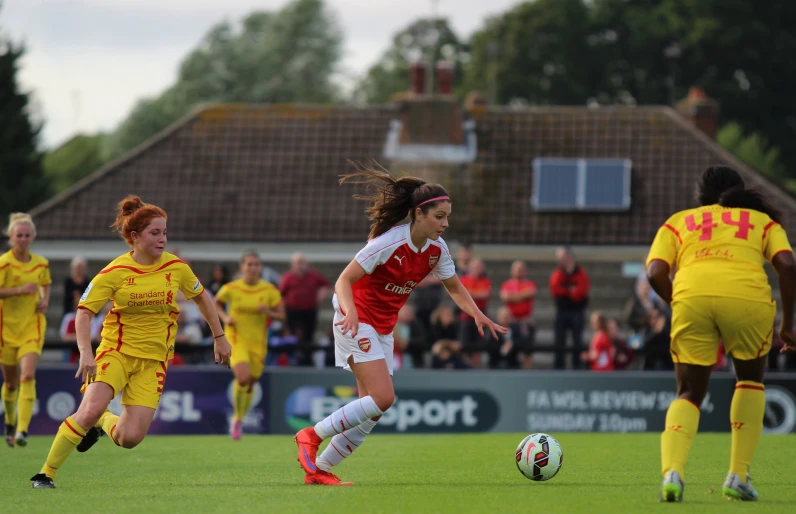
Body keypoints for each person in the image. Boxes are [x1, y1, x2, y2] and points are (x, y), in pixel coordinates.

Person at [293, 165, 506, 486]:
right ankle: (310, 435)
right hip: (356, 318)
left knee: (372, 410)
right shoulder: (388, 243)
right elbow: (344, 280)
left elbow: (455, 288)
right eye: (439, 216)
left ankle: (319, 469)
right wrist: (349, 312)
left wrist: (477, 313)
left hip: (382, 326)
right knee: (384, 397)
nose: (446, 224)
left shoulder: (437, 250)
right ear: (419, 214)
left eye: (448, 217)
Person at [30, 195, 232, 489]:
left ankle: (103, 422)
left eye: (164, 232)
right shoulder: (114, 273)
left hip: (153, 361)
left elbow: (201, 296)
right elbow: (84, 313)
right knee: (88, 410)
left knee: (129, 438)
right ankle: (45, 474)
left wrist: (219, 336)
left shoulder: (176, 268)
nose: (162, 239)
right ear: (135, 237)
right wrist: (86, 353)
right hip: (116, 352)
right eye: (155, 233)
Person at [647, 166, 796, 502]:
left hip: (691, 297)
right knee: (750, 382)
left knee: (687, 393)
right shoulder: (762, 222)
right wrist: (788, 325)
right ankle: (738, 477)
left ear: (700, 197)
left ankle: (672, 474)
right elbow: (787, 265)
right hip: (747, 299)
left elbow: (655, 271)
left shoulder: (679, 221)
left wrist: (681, 302)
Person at [214, 251, 284, 440]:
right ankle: (236, 420)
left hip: (258, 344)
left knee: (251, 383)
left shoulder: (269, 290)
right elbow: (216, 304)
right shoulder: (231, 288)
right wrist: (226, 318)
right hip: (236, 340)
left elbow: (282, 315)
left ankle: (239, 418)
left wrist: (268, 311)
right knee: (243, 378)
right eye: (249, 264)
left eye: (256, 264)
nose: (253, 268)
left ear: (260, 268)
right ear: (242, 267)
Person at [0, 213, 52, 448]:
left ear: (33, 237)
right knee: (11, 383)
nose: (22, 239)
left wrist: (44, 300)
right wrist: (20, 289)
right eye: (18, 235)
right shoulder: (4, 263)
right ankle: (10, 422)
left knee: (28, 375)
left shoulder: (41, 263)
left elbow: (46, 284)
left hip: (32, 325)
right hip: (6, 328)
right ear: (10, 237)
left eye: (26, 235)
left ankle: (22, 430)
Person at [278, 252, 330, 364]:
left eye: (302, 262)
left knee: (309, 335)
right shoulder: (288, 277)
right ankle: (292, 358)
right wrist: (282, 310)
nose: (300, 265)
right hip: (292, 311)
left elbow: (325, 284)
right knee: (293, 335)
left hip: (309, 310)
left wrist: (320, 295)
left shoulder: (314, 276)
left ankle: (307, 359)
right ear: (292, 264)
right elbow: (281, 294)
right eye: (297, 263)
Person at [549, 247, 590, 369]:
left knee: (577, 341)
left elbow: (581, 292)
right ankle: (558, 368)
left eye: (561, 257)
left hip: (577, 312)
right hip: (561, 312)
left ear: (568, 257)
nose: (559, 260)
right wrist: (570, 290)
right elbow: (555, 290)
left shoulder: (581, 272)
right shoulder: (557, 273)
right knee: (559, 341)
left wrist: (568, 291)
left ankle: (576, 367)